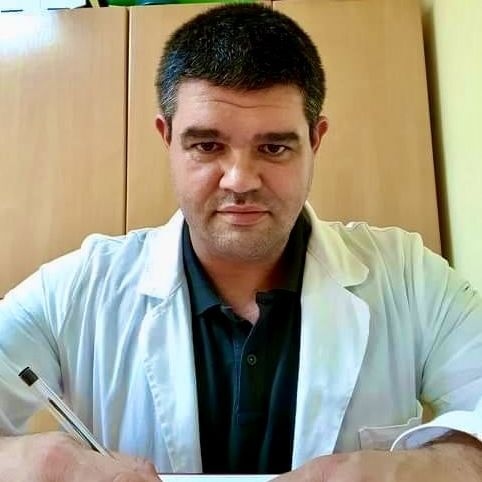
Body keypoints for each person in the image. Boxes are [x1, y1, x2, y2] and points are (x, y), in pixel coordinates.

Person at [0, 3, 481, 481]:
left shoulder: (409, 278)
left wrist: (433, 468)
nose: (240, 180)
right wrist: (33, 461)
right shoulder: (76, 290)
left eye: (273, 147)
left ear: (315, 140)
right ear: (167, 138)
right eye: (207, 146)